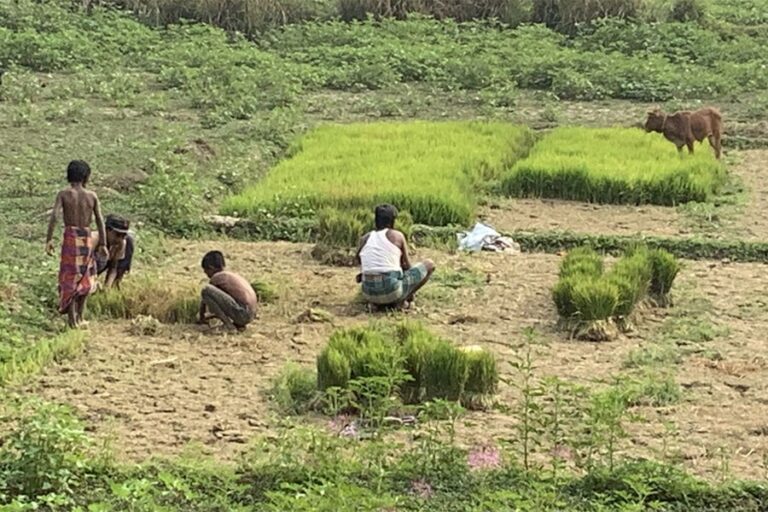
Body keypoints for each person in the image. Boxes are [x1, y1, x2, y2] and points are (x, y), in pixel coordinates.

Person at [45, 160, 108, 328]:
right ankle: (80, 317)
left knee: (70, 278)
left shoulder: (64, 194)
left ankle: (73, 319)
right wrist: (103, 244)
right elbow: (100, 221)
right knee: (85, 276)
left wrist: (48, 239)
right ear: (86, 177)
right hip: (86, 237)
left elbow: (55, 217)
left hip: (71, 238)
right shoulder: (92, 196)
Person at [355, 204, 435, 310]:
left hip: (368, 293)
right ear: (393, 221)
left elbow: (359, 260)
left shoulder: (365, 238)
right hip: (392, 290)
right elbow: (407, 265)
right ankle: (401, 300)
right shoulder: (397, 236)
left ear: (376, 220)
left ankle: (377, 304)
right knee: (429, 264)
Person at [198, 251, 257, 332]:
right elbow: (225, 303)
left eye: (206, 271)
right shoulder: (229, 276)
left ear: (211, 268)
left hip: (243, 313)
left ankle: (228, 326)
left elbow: (205, 300)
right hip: (250, 314)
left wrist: (201, 317)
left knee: (206, 290)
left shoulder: (217, 277)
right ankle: (238, 325)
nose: (206, 274)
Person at [93, 214, 134, 290]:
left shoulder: (120, 244)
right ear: (108, 230)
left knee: (130, 241)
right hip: (84, 273)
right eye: (118, 235)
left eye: (123, 235)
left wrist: (107, 287)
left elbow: (113, 268)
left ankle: (115, 285)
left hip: (97, 269)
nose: (120, 239)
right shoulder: (94, 239)